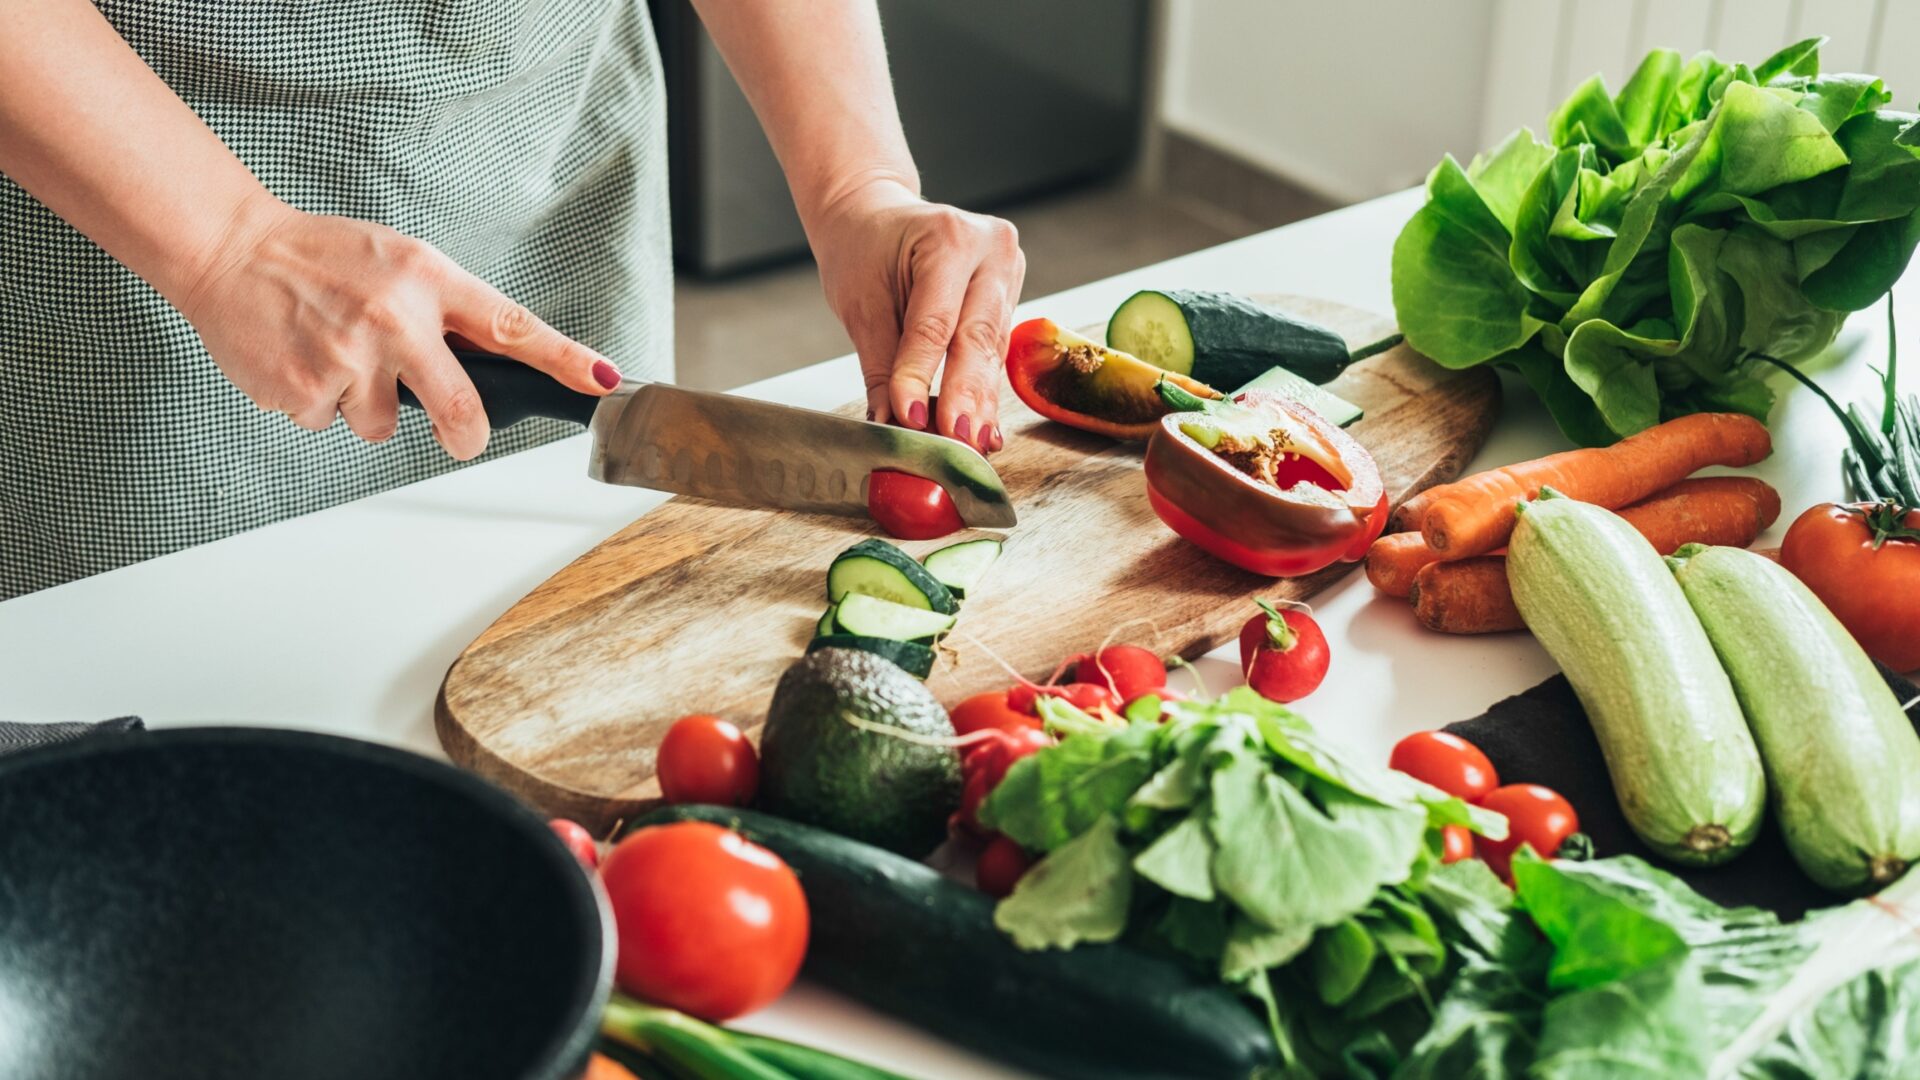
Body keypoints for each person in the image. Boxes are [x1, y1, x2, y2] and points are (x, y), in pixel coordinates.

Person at [0, 0, 1025, 598]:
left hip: (547, 164)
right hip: (135, 215)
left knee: (545, 602)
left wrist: (859, 187)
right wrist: (228, 245)